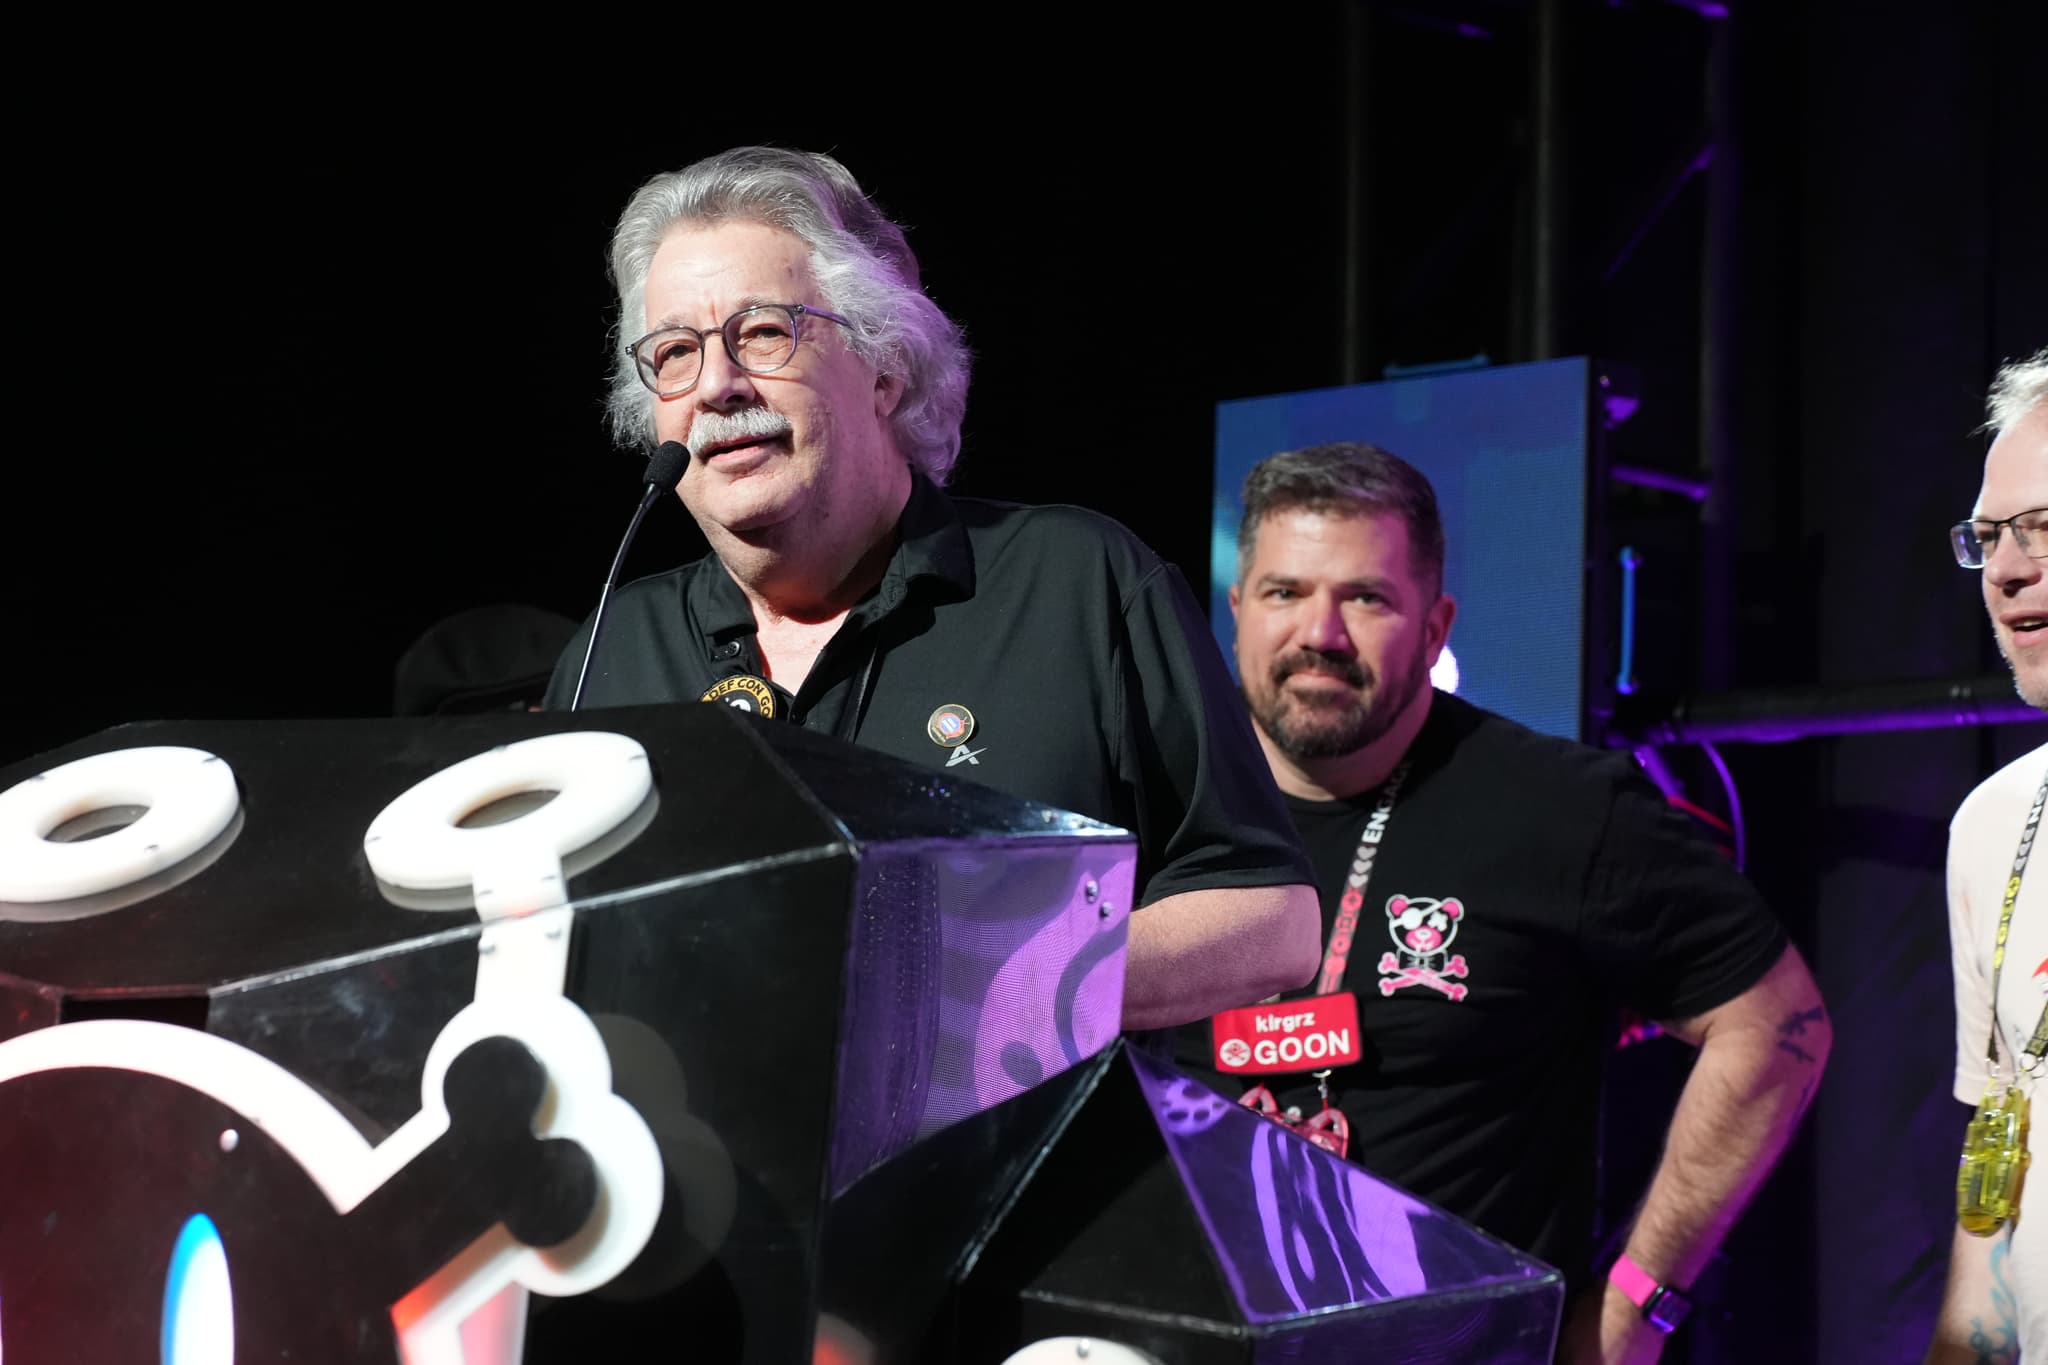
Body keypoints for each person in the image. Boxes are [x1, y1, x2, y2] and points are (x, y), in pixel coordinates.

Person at [544, 145, 1319, 1031]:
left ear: (886, 367)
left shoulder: (1075, 583)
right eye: (675, 351)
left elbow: (1274, 920)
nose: (718, 385)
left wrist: (994, 989)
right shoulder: (613, 652)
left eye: (762, 331)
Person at [1202, 442, 1830, 1363]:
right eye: (1285, 592)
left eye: (1366, 597)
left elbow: (1780, 1027)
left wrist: (1634, 1309)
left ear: (1435, 625)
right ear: (1238, 612)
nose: (1319, 633)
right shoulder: (1160, 807)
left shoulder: (1562, 809)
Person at [1928, 347, 2048, 1365]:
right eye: (1988, 536)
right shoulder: (1991, 824)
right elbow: (1994, 1162)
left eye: (2042, 528)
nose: (2006, 569)